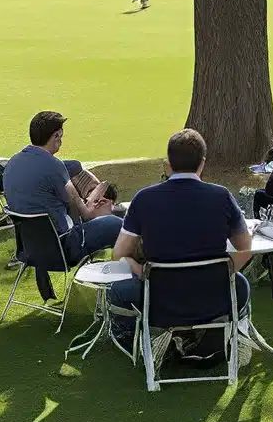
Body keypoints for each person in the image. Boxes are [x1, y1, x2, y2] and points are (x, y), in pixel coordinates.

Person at [108, 128, 252, 335]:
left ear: (168, 164)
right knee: (240, 285)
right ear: (202, 163)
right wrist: (222, 273)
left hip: (159, 299)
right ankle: (222, 336)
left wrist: (140, 270)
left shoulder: (143, 199)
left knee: (118, 291)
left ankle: (138, 340)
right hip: (211, 297)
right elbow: (245, 248)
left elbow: (118, 254)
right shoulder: (222, 196)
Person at [3, 111, 122, 266]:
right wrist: (97, 205)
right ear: (56, 136)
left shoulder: (13, 162)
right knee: (120, 225)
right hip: (62, 248)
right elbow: (84, 215)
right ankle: (137, 278)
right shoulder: (54, 166)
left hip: (29, 250)